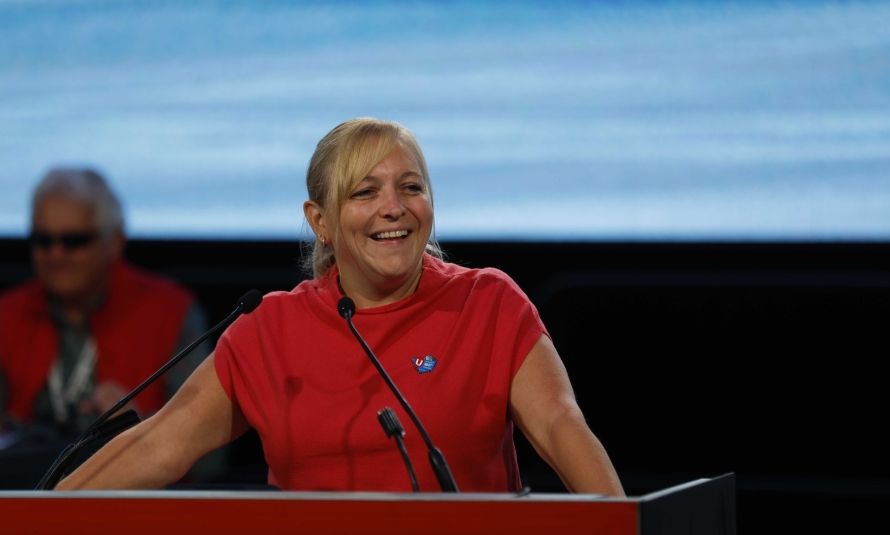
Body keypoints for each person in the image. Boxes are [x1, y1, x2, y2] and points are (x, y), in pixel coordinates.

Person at [56, 118, 624, 495]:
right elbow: (160, 443)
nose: (393, 208)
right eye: (364, 192)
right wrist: (33, 517)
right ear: (320, 221)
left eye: (411, 187)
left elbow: (559, 427)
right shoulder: (270, 330)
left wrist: (622, 527)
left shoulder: (488, 303)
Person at [0, 168, 209, 487]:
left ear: (115, 240)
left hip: (138, 502)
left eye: (74, 241)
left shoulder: (170, 312)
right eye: (43, 240)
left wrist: (145, 430)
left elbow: (210, 456)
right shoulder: (8, 314)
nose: (56, 254)